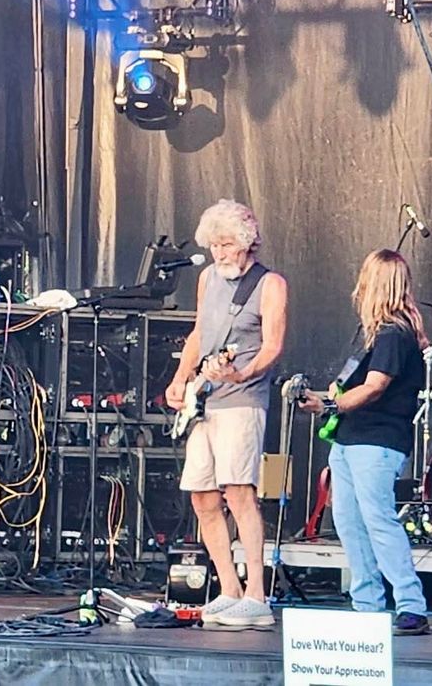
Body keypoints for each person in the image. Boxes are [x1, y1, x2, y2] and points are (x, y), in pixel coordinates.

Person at [165, 199, 287, 628]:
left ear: (247, 242)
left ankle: (257, 593)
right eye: (214, 245)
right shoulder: (207, 279)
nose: (219, 253)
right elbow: (200, 333)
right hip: (205, 398)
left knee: (238, 493)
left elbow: (273, 346)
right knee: (202, 496)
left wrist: (241, 373)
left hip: (243, 399)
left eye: (227, 245)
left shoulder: (269, 284)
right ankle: (228, 588)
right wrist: (180, 377)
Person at [300, 249, 430, 636]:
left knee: (377, 519)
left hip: (377, 439)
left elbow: (375, 388)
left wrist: (329, 404)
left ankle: (411, 605)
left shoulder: (393, 334)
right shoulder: (372, 333)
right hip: (349, 437)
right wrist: (324, 397)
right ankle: (367, 604)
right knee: (349, 522)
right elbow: (350, 385)